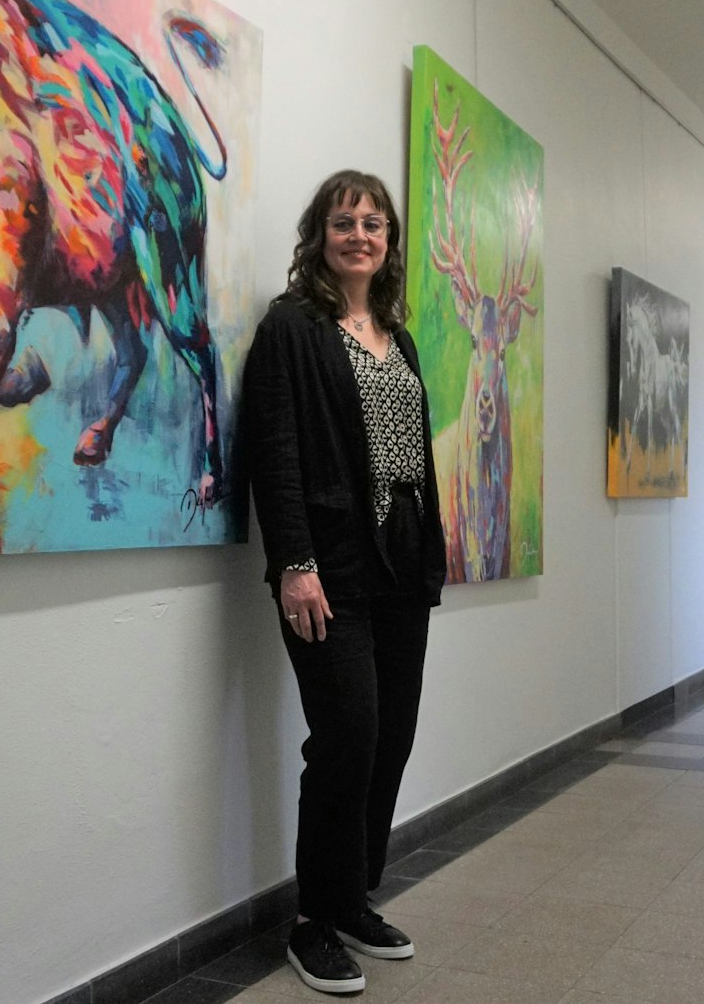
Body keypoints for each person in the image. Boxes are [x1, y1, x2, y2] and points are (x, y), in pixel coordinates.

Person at [241, 170, 448, 995]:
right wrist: (294, 563)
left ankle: (354, 894)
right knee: (347, 736)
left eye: (373, 221)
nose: (359, 233)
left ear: (390, 239)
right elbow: (276, 449)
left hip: (402, 560)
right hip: (329, 563)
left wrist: (431, 553)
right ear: (319, 235)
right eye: (342, 221)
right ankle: (312, 920)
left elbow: (419, 461)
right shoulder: (292, 327)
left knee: (391, 732)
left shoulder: (398, 336)